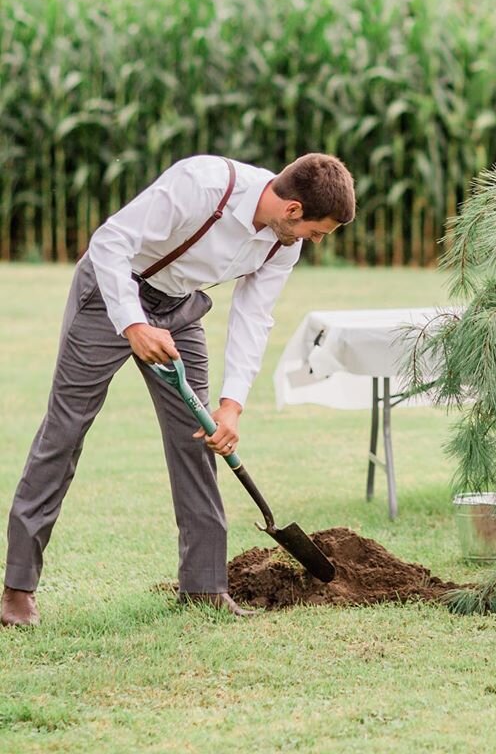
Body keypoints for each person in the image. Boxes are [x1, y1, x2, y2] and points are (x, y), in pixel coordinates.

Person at [2, 153, 355, 625]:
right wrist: (132, 324)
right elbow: (110, 242)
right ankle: (17, 591)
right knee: (64, 434)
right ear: (293, 210)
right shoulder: (203, 184)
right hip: (110, 296)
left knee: (196, 439)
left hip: (178, 309)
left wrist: (231, 407)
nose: (314, 241)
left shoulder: (282, 244)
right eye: (318, 231)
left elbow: (254, 316)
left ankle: (204, 586)